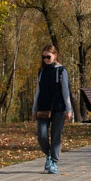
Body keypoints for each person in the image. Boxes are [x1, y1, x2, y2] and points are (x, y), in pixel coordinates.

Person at [32, 44, 73, 174]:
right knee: (41, 135)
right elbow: (38, 91)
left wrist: (69, 109)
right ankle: (48, 154)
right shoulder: (42, 71)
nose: (45, 59)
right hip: (43, 107)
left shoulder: (61, 70)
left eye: (48, 57)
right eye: (43, 57)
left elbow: (65, 91)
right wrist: (34, 109)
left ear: (55, 55)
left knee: (56, 135)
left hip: (58, 108)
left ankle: (54, 162)